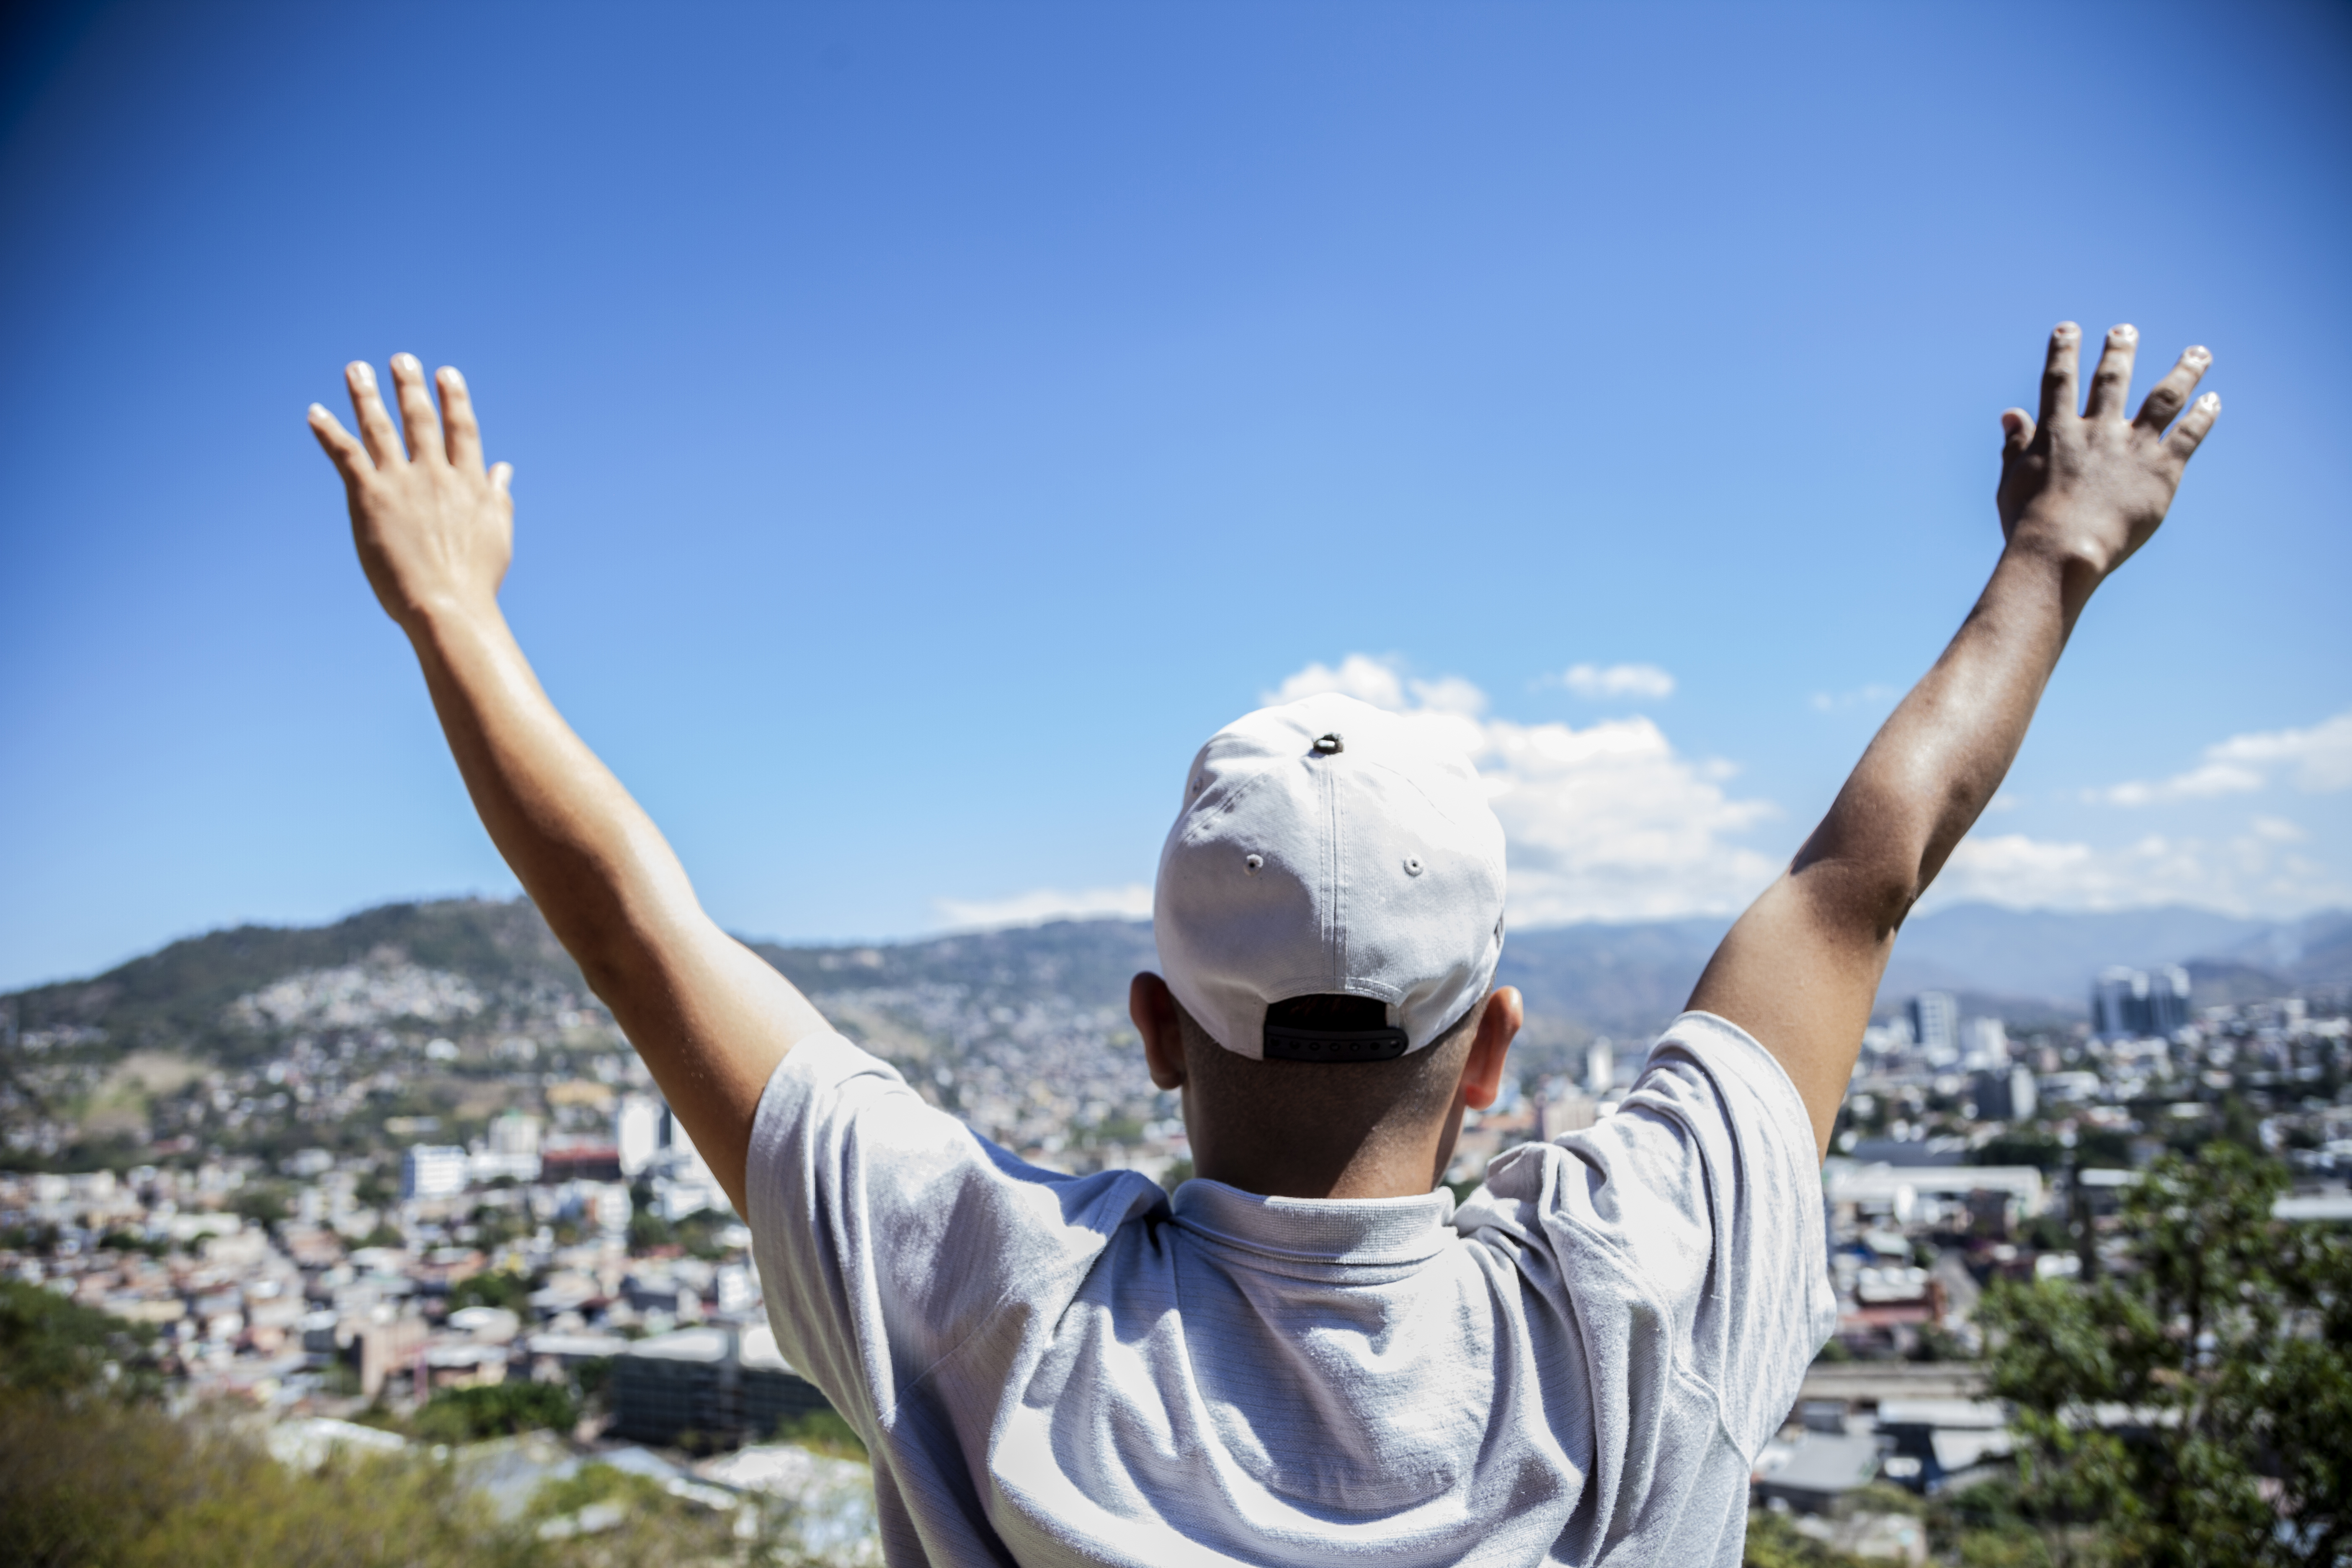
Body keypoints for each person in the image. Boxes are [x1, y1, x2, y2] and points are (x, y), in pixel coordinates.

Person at [307, 323, 2217, 1565]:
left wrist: (451, 608)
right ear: (1493, 1048)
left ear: (1154, 1026)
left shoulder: (996, 1312)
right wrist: (2053, 554)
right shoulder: (1643, 1302)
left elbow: (639, 927)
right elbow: (1853, 883)